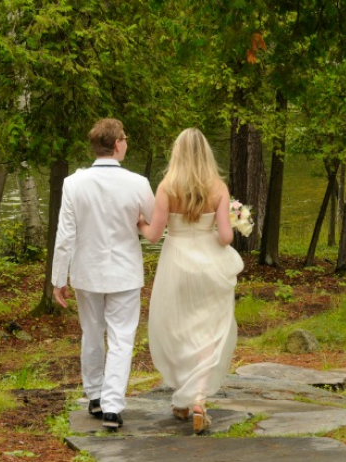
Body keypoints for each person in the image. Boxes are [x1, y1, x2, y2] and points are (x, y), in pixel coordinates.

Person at [51, 118, 155, 431]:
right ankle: (112, 405)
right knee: (122, 337)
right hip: (123, 271)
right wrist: (137, 219)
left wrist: (59, 279)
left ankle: (95, 395)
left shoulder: (73, 183)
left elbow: (65, 233)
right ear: (117, 143)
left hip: (87, 271)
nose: (126, 143)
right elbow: (153, 220)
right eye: (124, 138)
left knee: (92, 332)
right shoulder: (138, 182)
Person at [139, 127, 243, 434]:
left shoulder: (167, 187)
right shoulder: (218, 187)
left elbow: (154, 235)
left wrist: (141, 223)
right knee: (208, 332)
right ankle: (196, 398)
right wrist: (232, 224)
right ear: (207, 153)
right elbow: (225, 237)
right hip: (210, 264)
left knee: (179, 328)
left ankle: (184, 400)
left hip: (177, 262)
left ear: (177, 152)